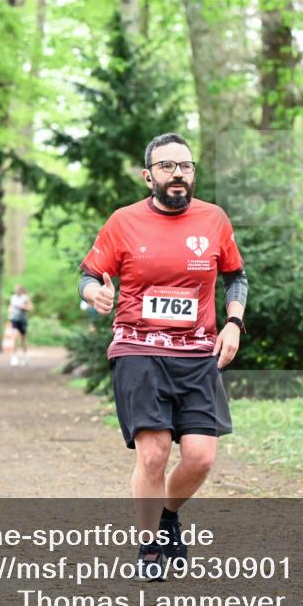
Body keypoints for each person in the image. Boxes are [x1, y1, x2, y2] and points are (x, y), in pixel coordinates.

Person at [79, 133, 248, 580]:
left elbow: (236, 278)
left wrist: (233, 323)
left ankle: (168, 515)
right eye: (167, 166)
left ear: (194, 173)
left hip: (197, 354)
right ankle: (150, 544)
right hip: (138, 348)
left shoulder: (214, 219)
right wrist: (94, 291)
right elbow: (89, 273)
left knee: (200, 457)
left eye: (185, 166)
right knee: (153, 455)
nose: (178, 173)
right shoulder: (124, 221)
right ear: (148, 174)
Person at [8, 284, 33, 366]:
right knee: (14, 337)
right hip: (14, 319)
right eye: (15, 289)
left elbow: (30, 308)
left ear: (21, 290)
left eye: (17, 289)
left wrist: (22, 307)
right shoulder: (13, 297)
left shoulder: (25, 297)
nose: (16, 290)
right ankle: (14, 357)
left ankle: (25, 356)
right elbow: (10, 307)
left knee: (23, 339)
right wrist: (10, 311)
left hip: (23, 320)